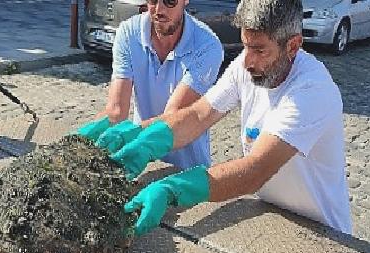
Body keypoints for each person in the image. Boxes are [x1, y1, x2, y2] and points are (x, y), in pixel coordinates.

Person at [93, 0, 353, 237]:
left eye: (260, 50)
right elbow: (198, 114)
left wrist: (175, 188)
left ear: (293, 46)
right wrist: (144, 138)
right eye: (245, 46)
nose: (248, 61)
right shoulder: (245, 65)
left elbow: (256, 169)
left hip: (322, 229)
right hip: (269, 211)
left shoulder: (311, 91)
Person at [77, 0, 224, 170]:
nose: (159, 10)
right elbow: (116, 111)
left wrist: (128, 135)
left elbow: (172, 118)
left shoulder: (207, 46)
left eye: (170, 1)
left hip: (186, 169)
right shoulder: (129, 33)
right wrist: (81, 143)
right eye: (153, 0)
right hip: (140, 161)